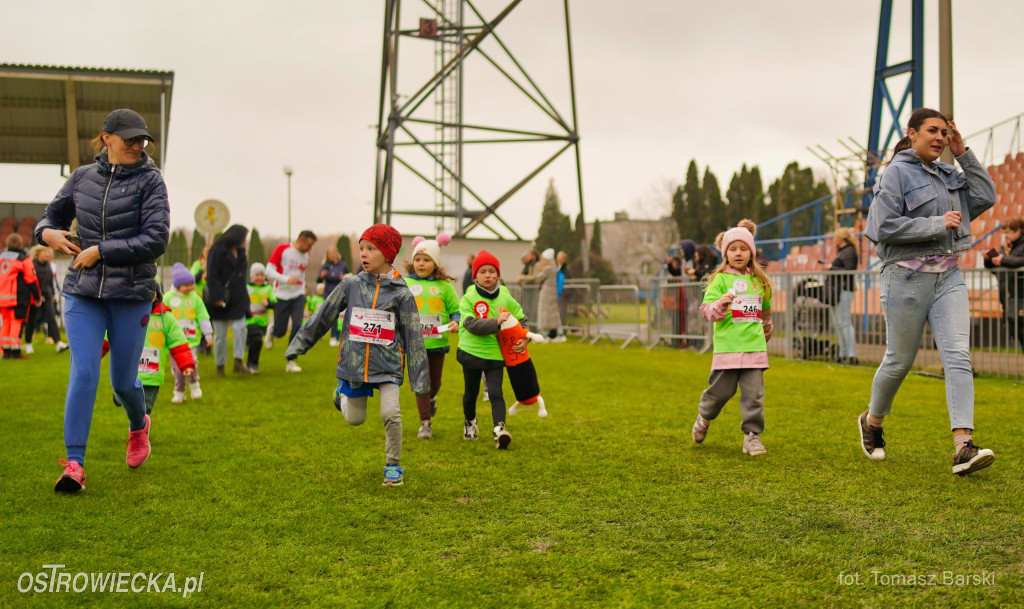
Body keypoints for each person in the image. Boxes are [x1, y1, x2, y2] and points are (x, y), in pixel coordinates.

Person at [36, 107, 169, 493]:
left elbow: (156, 240)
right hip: (82, 292)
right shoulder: (81, 178)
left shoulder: (151, 181)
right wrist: (49, 235)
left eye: (142, 139)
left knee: (123, 383)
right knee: (84, 371)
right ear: (106, 137)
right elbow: (49, 217)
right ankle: (74, 464)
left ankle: (138, 424)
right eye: (128, 137)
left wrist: (101, 251)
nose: (137, 145)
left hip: (131, 294)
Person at [863, 108, 997, 476]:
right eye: (932, 131)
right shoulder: (894, 173)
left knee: (957, 357)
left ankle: (963, 447)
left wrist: (963, 152)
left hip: (948, 278)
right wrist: (936, 223)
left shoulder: (950, 173)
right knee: (899, 360)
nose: (939, 137)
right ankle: (873, 422)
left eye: (944, 132)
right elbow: (882, 227)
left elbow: (986, 196)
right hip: (905, 277)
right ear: (913, 133)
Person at [285, 224, 428, 487]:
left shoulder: (402, 293)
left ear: (387, 253)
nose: (364, 253)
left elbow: (414, 338)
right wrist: (299, 344)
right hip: (354, 366)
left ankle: (393, 466)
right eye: (361, 248)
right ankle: (340, 394)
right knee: (355, 419)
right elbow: (322, 317)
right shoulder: (350, 285)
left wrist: (420, 381)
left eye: (371, 248)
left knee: (391, 413)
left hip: (389, 366)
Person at [690, 227, 774, 455]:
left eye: (744, 248)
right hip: (727, 349)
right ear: (725, 253)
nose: (738, 253)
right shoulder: (718, 280)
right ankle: (704, 418)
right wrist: (721, 304)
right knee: (719, 394)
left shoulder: (759, 282)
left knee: (754, 396)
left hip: (754, 349)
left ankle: (752, 437)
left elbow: (765, 313)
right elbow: (707, 311)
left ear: (751, 253)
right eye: (733, 249)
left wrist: (766, 329)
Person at [459, 250, 530, 449]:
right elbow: (471, 324)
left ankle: (500, 430)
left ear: (498, 274)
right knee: (471, 394)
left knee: (496, 392)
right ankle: (470, 422)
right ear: (475, 276)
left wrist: (524, 338)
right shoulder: (468, 297)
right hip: (471, 352)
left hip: (496, 354)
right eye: (483, 271)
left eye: (492, 271)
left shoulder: (505, 295)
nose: (488, 275)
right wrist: (496, 323)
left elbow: (521, 318)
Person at [403, 235, 460, 439]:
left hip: (438, 343)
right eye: (418, 259)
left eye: (426, 260)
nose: (421, 263)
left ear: (435, 263)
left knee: (434, 385)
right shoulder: (405, 283)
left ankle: (432, 399)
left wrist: (456, 322)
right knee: (421, 384)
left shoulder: (445, 287)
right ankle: (425, 423)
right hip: (414, 344)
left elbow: (456, 311)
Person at [115, 286, 195, 415]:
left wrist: (186, 363)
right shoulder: (126, 315)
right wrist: (94, 356)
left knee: (144, 409)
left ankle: (139, 432)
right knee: (124, 396)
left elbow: (178, 342)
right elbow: (108, 338)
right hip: (129, 372)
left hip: (152, 375)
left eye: (150, 292)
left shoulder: (166, 318)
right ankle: (119, 397)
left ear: (156, 296)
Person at [266, 230, 317, 372]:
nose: (309, 249)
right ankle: (272, 331)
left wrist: (303, 285)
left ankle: (291, 361)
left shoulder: (307, 255)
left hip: (298, 294)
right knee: (280, 331)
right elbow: (268, 271)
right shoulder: (283, 250)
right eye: (309, 245)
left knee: (297, 326)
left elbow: (302, 273)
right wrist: (286, 279)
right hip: (282, 295)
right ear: (301, 239)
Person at [204, 224, 251, 376]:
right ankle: (220, 366)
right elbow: (211, 275)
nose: (245, 241)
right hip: (221, 297)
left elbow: (242, 274)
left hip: (238, 296)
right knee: (220, 335)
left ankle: (238, 361)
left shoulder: (242, 251)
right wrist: (217, 297)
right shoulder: (217, 250)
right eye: (243, 237)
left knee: (240, 327)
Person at [164, 263, 212, 402]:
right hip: (175, 342)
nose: (190, 288)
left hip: (190, 341)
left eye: (192, 284)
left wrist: (208, 334)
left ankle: (194, 383)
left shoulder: (195, 298)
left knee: (192, 363)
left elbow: (203, 316)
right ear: (178, 285)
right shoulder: (167, 298)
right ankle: (179, 390)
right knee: (178, 369)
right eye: (186, 285)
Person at [983, 216, 1024, 349]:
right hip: (1008, 297)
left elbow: (1019, 261)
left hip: (1021, 296)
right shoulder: (1006, 247)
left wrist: (1004, 260)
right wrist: (989, 259)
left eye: (1008, 232)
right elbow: (993, 268)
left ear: (1018, 231)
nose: (1005, 236)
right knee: (1018, 333)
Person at [1, 233, 41, 358]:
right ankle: (16, 352)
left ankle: (6, 351)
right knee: (16, 322)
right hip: (17, 297)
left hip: (2, 298)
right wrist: (37, 296)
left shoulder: (1, 257)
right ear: (20, 244)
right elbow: (31, 279)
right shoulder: (23, 259)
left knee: (6, 322)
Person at [23, 246, 68, 353]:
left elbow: (50, 282)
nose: (48, 254)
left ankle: (58, 343)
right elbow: (31, 282)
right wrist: (37, 296)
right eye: (45, 252)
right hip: (35, 297)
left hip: (47, 296)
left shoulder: (49, 265)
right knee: (32, 320)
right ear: (39, 253)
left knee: (51, 318)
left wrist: (51, 295)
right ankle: (28, 343)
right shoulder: (32, 264)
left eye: (48, 252)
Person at [824, 227, 860, 364]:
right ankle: (843, 352)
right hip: (837, 290)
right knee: (839, 323)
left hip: (844, 290)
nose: (834, 240)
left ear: (841, 239)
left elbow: (849, 270)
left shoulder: (849, 252)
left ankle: (851, 354)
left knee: (844, 322)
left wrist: (831, 268)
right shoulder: (843, 252)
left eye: (835, 237)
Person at [519, 248, 563, 341]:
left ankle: (545, 334)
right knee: (553, 314)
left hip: (546, 293)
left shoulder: (548, 268)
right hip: (551, 293)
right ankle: (556, 334)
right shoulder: (553, 267)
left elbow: (539, 278)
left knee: (545, 313)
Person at [245, 263, 276, 374]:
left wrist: (268, 304)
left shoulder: (267, 288)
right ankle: (254, 364)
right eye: (257, 275)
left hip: (262, 322)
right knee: (257, 340)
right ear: (252, 276)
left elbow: (275, 303)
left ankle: (249, 363)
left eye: (262, 275)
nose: (259, 278)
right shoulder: (247, 287)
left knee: (256, 343)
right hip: (249, 321)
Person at [317, 245, 349, 346]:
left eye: (333, 253)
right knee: (332, 315)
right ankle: (332, 337)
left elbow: (349, 275)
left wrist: (344, 277)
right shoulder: (326, 265)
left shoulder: (343, 264)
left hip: (341, 291)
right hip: (329, 293)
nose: (332, 256)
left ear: (336, 253)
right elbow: (318, 280)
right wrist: (322, 275)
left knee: (339, 315)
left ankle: (338, 336)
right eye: (329, 254)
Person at [190, 243, 212, 354]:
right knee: (199, 320)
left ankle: (208, 345)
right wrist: (202, 270)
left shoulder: (213, 264)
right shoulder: (197, 264)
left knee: (209, 319)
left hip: (210, 296)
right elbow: (193, 279)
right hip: (199, 296)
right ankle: (201, 343)